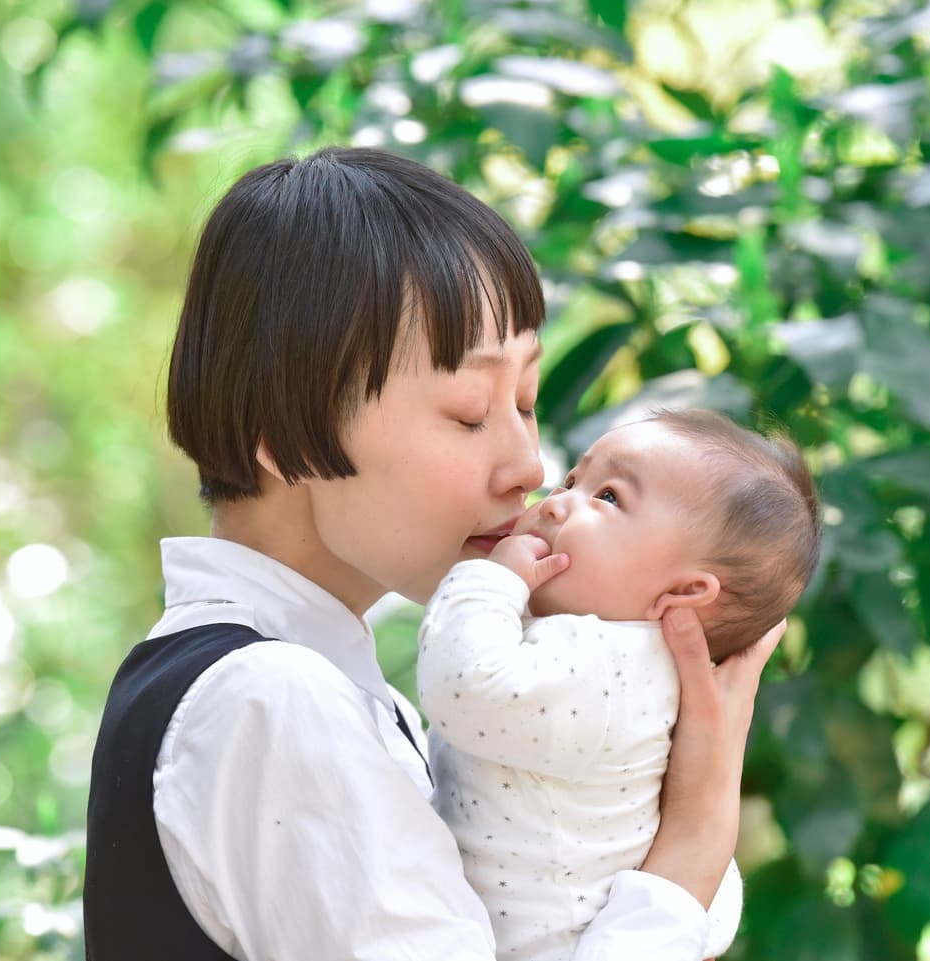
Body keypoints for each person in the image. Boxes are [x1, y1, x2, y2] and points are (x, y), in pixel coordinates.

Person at [81, 146, 785, 961]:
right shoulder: (274, 699)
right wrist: (690, 854)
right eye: (468, 411)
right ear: (276, 437)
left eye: (526, 401)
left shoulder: (295, 688)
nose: (529, 466)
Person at [417, 409, 820, 961]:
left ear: (683, 592)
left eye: (607, 498)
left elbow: (463, 686)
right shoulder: (643, 677)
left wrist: (490, 581)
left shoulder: (606, 663)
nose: (555, 501)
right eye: (572, 480)